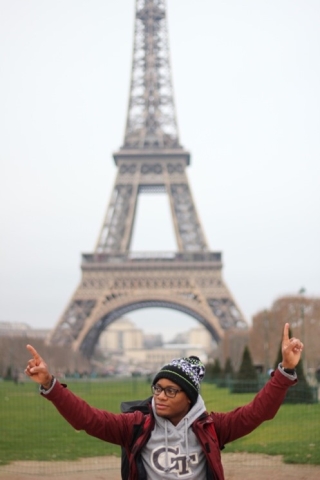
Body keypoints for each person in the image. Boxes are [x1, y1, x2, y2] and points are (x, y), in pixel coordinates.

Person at [25, 323, 303, 480]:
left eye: (171, 391)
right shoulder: (135, 426)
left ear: (190, 399)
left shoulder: (212, 427)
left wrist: (285, 370)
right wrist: (50, 384)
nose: (159, 395)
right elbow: (87, 419)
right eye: (157, 388)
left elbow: (258, 412)